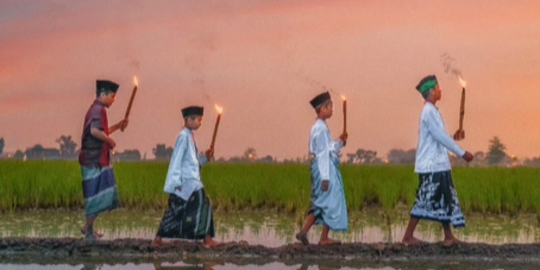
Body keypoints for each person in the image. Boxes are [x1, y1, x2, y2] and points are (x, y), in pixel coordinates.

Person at [402, 75, 474, 247]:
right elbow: (439, 137)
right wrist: (462, 153)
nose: (441, 91)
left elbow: (440, 137)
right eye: (438, 88)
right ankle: (408, 236)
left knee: (445, 199)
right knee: (424, 198)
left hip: (438, 164)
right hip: (431, 165)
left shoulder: (433, 111)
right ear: (431, 91)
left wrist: (454, 137)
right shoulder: (428, 112)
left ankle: (448, 236)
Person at [152, 106, 221, 248]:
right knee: (199, 205)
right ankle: (207, 240)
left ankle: (158, 238)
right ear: (188, 120)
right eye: (198, 120)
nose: (199, 123)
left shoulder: (190, 136)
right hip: (186, 182)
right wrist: (176, 182)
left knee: (178, 209)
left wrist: (206, 158)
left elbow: (193, 162)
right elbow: (176, 160)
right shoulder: (183, 137)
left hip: (192, 181)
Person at [295, 91, 348, 246]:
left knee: (322, 201)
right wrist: (325, 177)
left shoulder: (321, 127)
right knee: (329, 201)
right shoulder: (320, 129)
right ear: (323, 109)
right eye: (330, 107)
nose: (332, 110)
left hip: (321, 166)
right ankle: (323, 237)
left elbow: (329, 148)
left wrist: (340, 142)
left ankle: (305, 231)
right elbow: (323, 153)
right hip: (323, 167)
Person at [79, 80, 128, 242]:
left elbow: (102, 131)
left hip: (97, 159)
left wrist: (118, 126)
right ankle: (88, 231)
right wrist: (109, 141)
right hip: (93, 160)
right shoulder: (97, 110)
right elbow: (94, 131)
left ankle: (89, 229)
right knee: (95, 194)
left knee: (99, 193)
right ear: (103, 95)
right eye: (112, 97)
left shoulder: (98, 110)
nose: (113, 100)